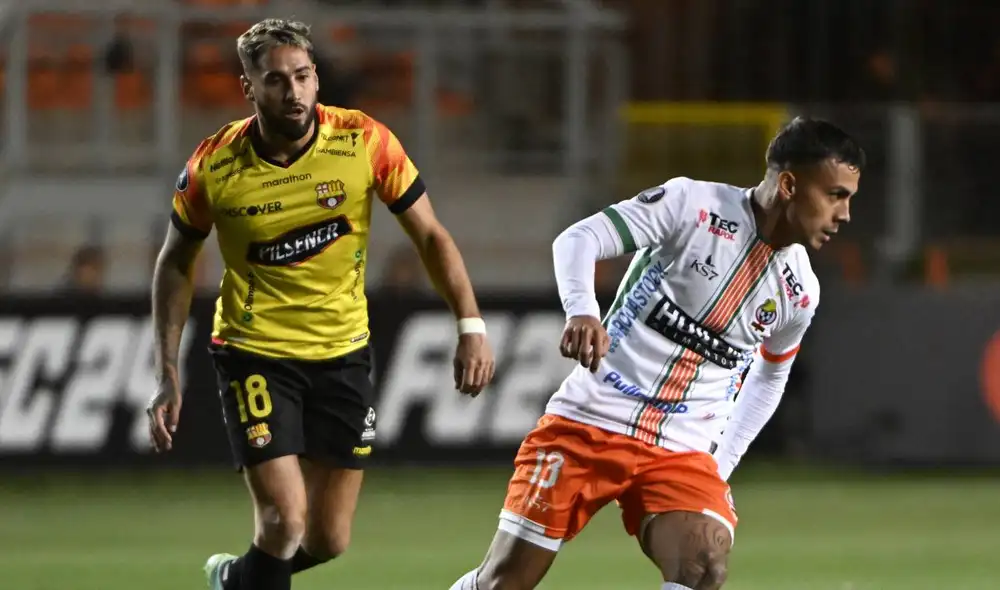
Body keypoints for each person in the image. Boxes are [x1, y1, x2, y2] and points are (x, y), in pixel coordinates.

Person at [144, 18, 496, 590]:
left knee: (327, 539)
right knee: (283, 521)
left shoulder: (364, 141)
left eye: (304, 76)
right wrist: (165, 372)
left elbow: (430, 235)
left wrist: (471, 324)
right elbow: (175, 262)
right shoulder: (214, 165)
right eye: (277, 80)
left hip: (343, 353)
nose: (295, 92)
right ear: (248, 88)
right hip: (255, 352)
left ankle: (237, 579)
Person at [449, 116, 864, 590]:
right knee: (506, 581)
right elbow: (578, 239)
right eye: (836, 195)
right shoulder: (693, 206)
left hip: (681, 448)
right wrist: (582, 311)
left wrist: (720, 463)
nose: (845, 214)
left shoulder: (800, 291)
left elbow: (770, 378)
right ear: (790, 184)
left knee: (703, 565)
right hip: (592, 419)